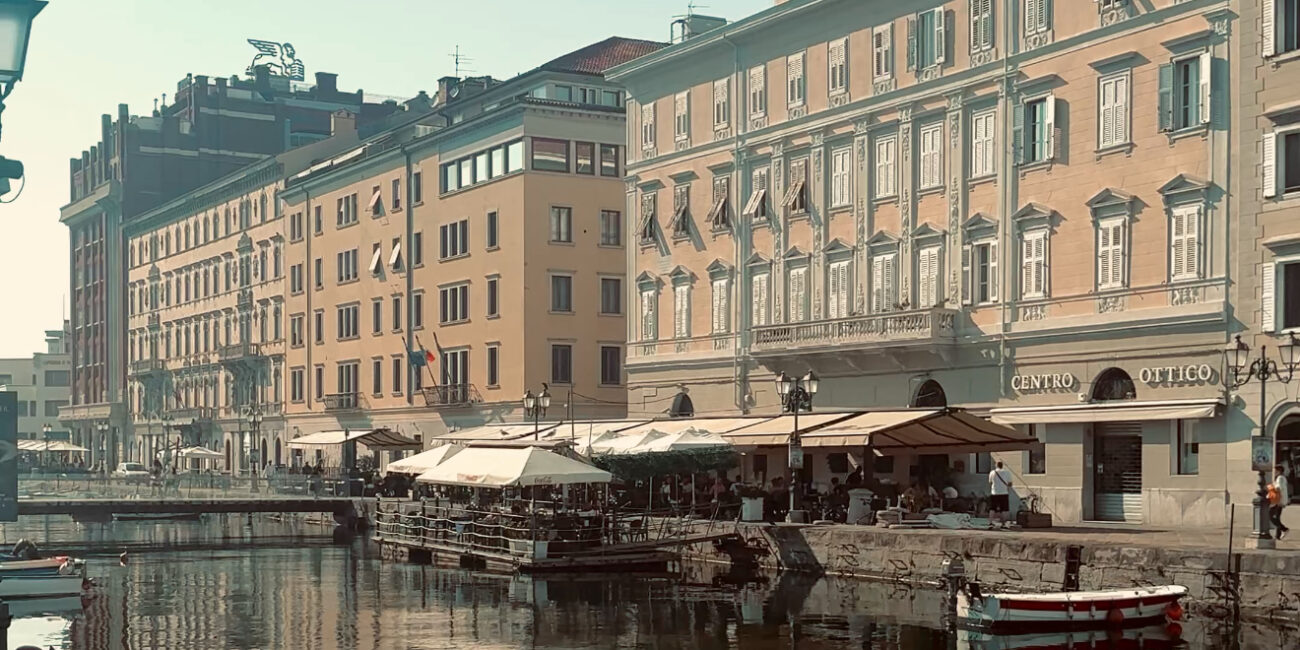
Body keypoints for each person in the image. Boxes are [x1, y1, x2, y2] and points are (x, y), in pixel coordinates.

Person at [989, 460, 1014, 527]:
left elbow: (990, 482)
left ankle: (990, 522)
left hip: (994, 492)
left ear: (996, 465)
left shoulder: (992, 472)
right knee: (1004, 509)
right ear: (1002, 465)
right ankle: (1003, 523)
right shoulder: (1007, 472)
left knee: (992, 508)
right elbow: (1010, 483)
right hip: (1004, 493)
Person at [1272, 464, 1291, 541]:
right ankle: (1278, 535)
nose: (1275, 472)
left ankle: (1284, 529)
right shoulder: (1282, 478)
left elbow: (1278, 489)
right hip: (1280, 500)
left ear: (1279, 471)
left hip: (1279, 500)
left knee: (1271, 516)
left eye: (1275, 470)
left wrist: (1271, 489)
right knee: (1277, 516)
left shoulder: (1280, 478)